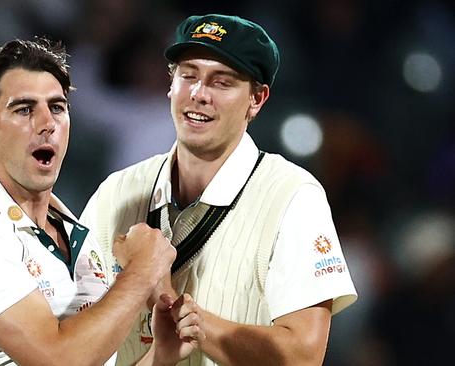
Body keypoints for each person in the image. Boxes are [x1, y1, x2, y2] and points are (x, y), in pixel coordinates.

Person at [80, 14, 358, 365]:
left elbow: (304, 355)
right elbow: (77, 346)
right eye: (188, 75)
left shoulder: (292, 196)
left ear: (257, 99)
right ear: (170, 85)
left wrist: (188, 318)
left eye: (221, 83)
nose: (199, 94)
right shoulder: (116, 193)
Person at [0, 38, 203, 366]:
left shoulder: (80, 237)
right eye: (24, 109)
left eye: (56, 107)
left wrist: (159, 356)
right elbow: (57, 359)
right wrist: (142, 269)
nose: (47, 124)